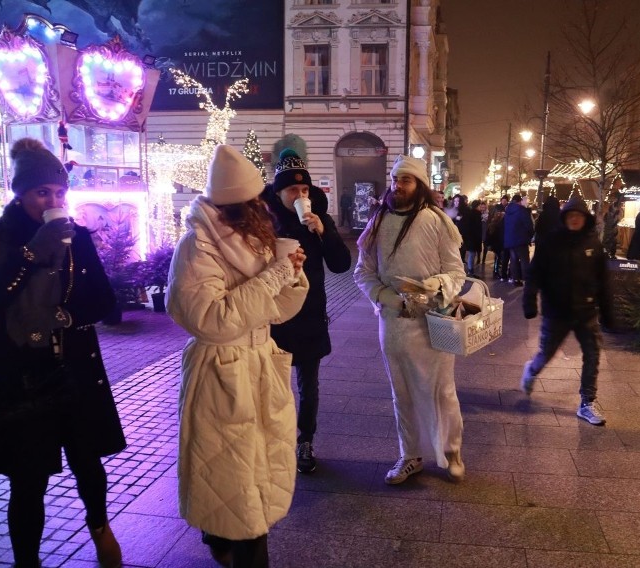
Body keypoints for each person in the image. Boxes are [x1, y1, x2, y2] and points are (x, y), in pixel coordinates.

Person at [166, 145, 309, 568]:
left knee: (252, 481)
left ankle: (221, 538)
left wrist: (291, 276)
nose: (261, 208)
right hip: (221, 374)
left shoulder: (254, 240)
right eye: (253, 202)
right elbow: (211, 320)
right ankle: (230, 544)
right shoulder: (196, 248)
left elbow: (276, 311)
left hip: (260, 367)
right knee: (239, 490)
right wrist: (275, 275)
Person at [0, 138, 126, 568]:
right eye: (41, 192)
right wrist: (33, 252)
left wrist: (64, 317)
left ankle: (101, 527)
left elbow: (107, 303)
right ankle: (26, 561)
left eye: (60, 192)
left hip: (76, 371)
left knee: (89, 464)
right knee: (27, 481)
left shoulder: (78, 238)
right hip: (23, 380)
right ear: (20, 193)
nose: (53, 200)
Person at [354, 154, 467, 485]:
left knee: (441, 391)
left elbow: (456, 272)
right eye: (394, 180)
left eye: (405, 180)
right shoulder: (376, 222)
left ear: (418, 185)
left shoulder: (437, 221)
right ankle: (410, 456)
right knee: (401, 392)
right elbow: (363, 272)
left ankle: (452, 451)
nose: (398, 186)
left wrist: (437, 285)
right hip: (393, 322)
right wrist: (387, 298)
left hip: (433, 320)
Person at [262, 148, 351, 474]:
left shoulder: (320, 220)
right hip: (274, 318)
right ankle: (275, 439)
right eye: (292, 190)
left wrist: (323, 232)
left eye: (304, 190)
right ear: (278, 191)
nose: (300, 195)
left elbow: (341, 265)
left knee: (308, 385)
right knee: (272, 384)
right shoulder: (265, 221)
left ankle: (305, 439)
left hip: (311, 315)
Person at [520, 197, 614, 426]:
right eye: (571, 215)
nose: (574, 219)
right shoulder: (552, 241)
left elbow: (604, 280)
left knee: (592, 354)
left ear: (585, 218)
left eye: (579, 216)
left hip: (586, 311)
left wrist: (609, 312)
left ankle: (587, 402)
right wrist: (530, 300)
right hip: (557, 311)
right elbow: (535, 273)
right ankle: (531, 370)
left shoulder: (593, 243)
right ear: (565, 217)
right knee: (546, 354)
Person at [504, 194, 534, 286]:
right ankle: (526, 279)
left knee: (513, 260)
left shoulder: (508, 211)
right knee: (524, 260)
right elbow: (529, 225)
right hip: (521, 239)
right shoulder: (522, 210)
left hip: (510, 240)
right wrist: (530, 235)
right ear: (519, 201)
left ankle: (515, 279)